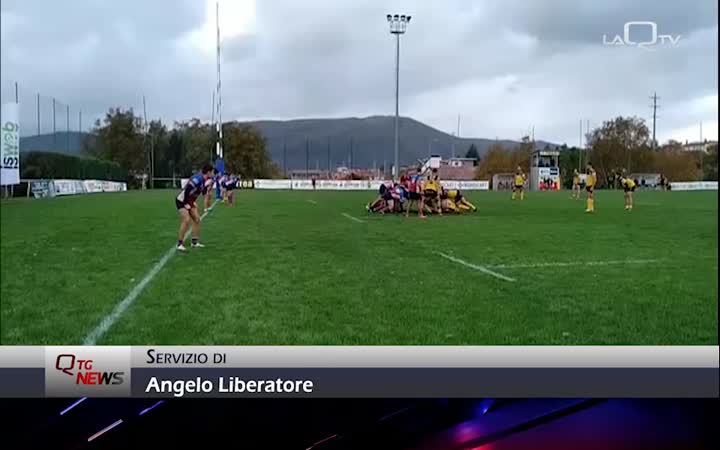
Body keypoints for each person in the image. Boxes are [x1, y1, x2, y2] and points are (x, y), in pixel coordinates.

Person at [176, 164, 214, 251]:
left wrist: (207, 188)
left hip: (189, 201)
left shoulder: (205, 180)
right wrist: (186, 203)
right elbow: (188, 189)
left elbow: (203, 192)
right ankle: (180, 244)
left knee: (197, 219)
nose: (213, 174)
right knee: (186, 219)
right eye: (212, 172)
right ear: (208, 172)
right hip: (181, 200)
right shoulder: (198, 179)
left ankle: (194, 242)